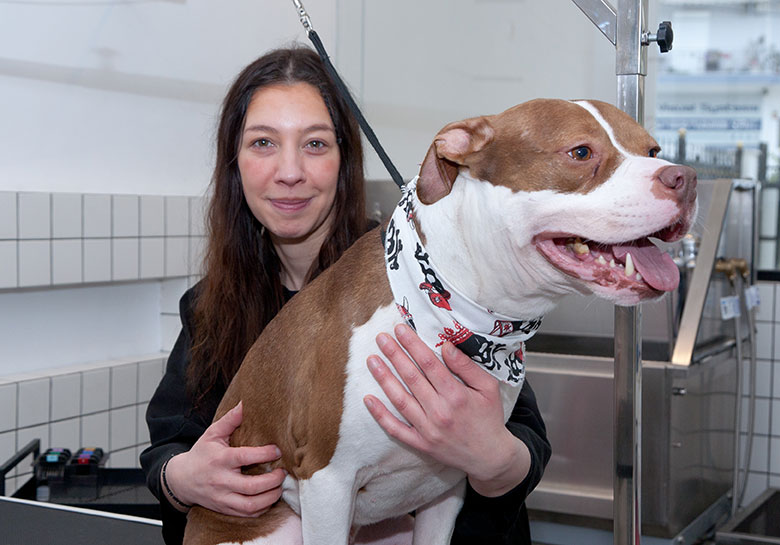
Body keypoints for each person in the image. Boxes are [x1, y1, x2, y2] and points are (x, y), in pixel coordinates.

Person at [140, 45, 551, 545]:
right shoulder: (209, 306)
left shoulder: (421, 281)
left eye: (315, 144)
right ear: (234, 163)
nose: (289, 171)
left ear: (345, 160)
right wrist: (181, 478)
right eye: (263, 143)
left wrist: (496, 458)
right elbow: (169, 445)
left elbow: (524, 436)